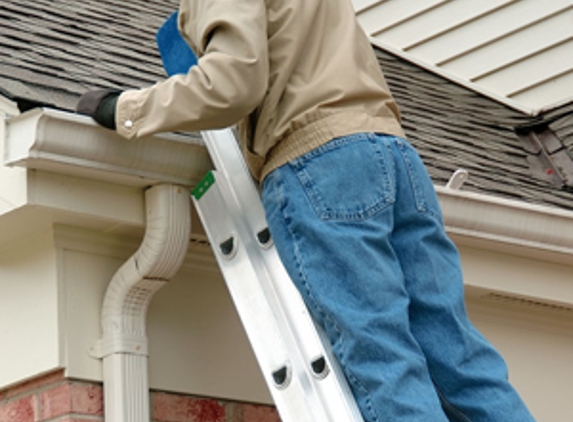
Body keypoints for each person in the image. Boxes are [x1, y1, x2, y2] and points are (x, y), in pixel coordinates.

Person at [77, 0, 536, 420]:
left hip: (319, 164)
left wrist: (126, 109)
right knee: (460, 360)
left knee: (383, 361)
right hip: (394, 157)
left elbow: (231, 84)